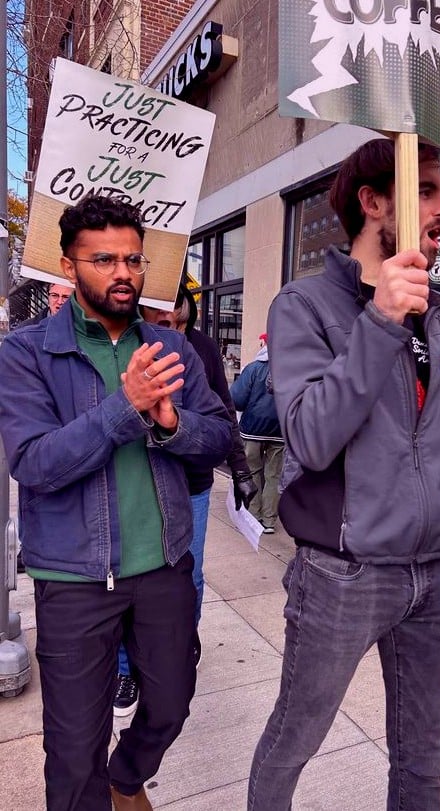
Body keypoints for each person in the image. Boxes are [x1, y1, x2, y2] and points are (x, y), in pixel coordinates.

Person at [247, 138, 440, 811]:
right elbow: (311, 437)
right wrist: (379, 319)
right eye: (429, 190)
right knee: (295, 738)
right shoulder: (303, 307)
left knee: (423, 757)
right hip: (342, 575)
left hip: (438, 573)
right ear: (373, 201)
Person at [0, 194, 232, 811]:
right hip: (74, 578)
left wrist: (171, 422)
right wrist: (122, 410)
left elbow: (220, 437)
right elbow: (35, 464)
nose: (124, 272)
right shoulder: (26, 354)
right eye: (104, 259)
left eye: (133, 259)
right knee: (74, 751)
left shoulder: (170, 348)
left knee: (171, 703)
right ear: (69, 267)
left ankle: (126, 778)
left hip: (163, 568)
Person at [112, 285, 257, 716]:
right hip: (139, 479)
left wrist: (241, 470)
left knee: (187, 577)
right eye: (156, 306)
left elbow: (223, 413)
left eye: (175, 309)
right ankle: (124, 667)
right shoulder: (125, 346)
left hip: (191, 483)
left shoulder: (200, 349)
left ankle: (181, 640)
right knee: (126, 579)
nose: (166, 314)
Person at [15, 282, 74, 574]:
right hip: (38, 427)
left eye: (66, 296)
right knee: (32, 488)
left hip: (69, 427)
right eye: (55, 295)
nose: (59, 301)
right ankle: (28, 547)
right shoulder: (26, 335)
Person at [230, 336, 284, 534]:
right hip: (280, 431)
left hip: (252, 429)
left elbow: (237, 398)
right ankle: (269, 521)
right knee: (274, 475)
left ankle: (253, 516)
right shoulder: (290, 368)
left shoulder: (253, 368)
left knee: (252, 471)